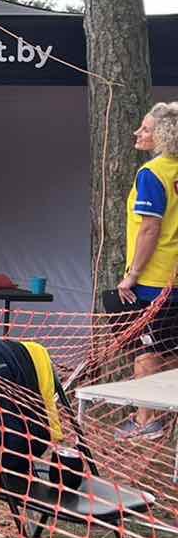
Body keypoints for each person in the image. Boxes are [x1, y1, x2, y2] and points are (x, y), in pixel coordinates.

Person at [108, 102, 178, 439]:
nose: (138, 132)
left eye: (146, 128)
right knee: (172, 349)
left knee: (146, 349)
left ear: (164, 135)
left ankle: (145, 419)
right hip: (174, 277)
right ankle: (167, 416)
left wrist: (132, 275)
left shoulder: (152, 173)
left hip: (153, 280)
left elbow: (150, 228)